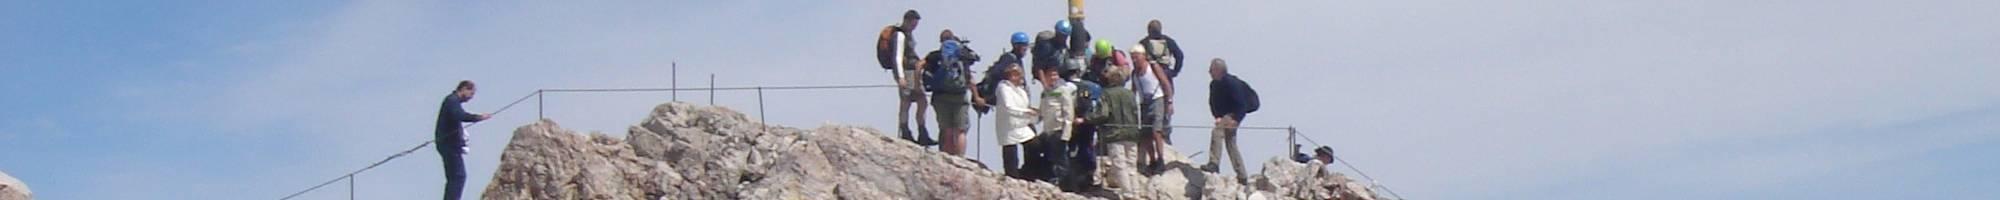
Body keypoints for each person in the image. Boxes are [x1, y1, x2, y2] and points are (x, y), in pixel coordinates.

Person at [1077, 58, 1139, 191]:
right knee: (1131, 165)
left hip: (1115, 134)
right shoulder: (1130, 94)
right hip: (1132, 133)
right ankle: (1136, 191)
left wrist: (1085, 119)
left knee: (1119, 164)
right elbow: (1135, 113)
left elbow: (1103, 114)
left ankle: (1128, 194)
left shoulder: (1106, 94)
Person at [877, 9, 937, 146]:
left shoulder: (907, 35)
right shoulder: (900, 35)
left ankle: (920, 132)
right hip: (906, 72)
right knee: (907, 101)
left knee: (921, 101)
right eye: (914, 23)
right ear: (908, 21)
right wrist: (900, 77)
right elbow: (897, 57)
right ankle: (906, 131)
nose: (915, 26)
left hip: (912, 72)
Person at [1203, 58, 1259, 184]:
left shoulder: (1231, 83)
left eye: (1211, 70)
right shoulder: (1214, 84)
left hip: (1236, 112)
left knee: (1217, 132)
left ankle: (1214, 163)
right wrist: (1217, 116)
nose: (1209, 72)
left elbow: (1242, 104)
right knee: (1230, 142)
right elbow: (1213, 102)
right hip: (1227, 113)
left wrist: (1236, 120)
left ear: (1218, 71)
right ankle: (1242, 175)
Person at [926, 29, 981, 156]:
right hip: (960, 95)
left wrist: (919, 85)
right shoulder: (962, 55)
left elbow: (920, 66)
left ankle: (947, 157)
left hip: (940, 95)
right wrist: (977, 96)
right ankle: (960, 158)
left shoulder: (935, 55)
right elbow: (970, 78)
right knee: (960, 131)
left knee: (948, 130)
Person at [435, 80, 491, 200]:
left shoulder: (452, 101)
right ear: (464, 89)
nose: (471, 98)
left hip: (449, 144)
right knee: (458, 176)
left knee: (455, 176)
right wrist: (479, 117)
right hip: (449, 145)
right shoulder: (452, 101)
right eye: (471, 94)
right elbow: (460, 116)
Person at [1128, 45, 1174, 175]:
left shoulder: (1153, 68)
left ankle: (1160, 159)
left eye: (1136, 57)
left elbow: (1165, 83)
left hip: (1157, 99)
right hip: (1144, 103)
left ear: (1143, 56)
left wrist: (1169, 102)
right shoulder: (1134, 73)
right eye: (1132, 58)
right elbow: (1133, 90)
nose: (1134, 61)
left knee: (1156, 131)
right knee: (1146, 134)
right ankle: (1152, 160)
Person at [1029, 68, 1077, 183]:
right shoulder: (1045, 93)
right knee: (1044, 153)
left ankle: (1065, 183)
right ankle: (1047, 176)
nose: (1053, 78)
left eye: (1055, 75)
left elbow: (1068, 113)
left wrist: (1066, 134)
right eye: (1050, 75)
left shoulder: (1063, 90)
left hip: (1059, 129)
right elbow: (1042, 111)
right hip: (1048, 130)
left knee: (1060, 158)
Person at [993, 66, 1037, 178]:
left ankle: (1028, 173)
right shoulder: (1003, 88)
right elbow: (1009, 106)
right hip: (1009, 126)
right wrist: (1027, 112)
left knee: (1033, 145)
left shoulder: (1021, 90)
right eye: (1017, 74)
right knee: (1010, 153)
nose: (1020, 77)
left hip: (1022, 125)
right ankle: (1012, 176)